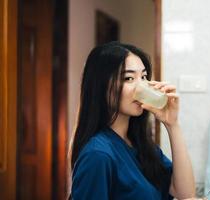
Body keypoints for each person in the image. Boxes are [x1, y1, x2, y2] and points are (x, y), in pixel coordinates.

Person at [70, 41, 196, 200]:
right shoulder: (98, 155)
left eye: (143, 77)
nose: (141, 87)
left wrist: (172, 125)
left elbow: (185, 193)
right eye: (129, 78)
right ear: (101, 86)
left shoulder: (139, 144)